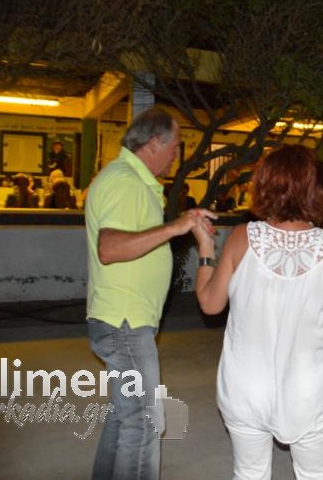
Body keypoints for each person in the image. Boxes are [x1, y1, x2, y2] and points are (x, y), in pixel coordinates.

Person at [191, 144, 323, 479]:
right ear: (317, 188)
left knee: (250, 472)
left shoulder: (241, 237)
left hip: (246, 384)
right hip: (308, 387)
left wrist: (206, 250)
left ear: (264, 184)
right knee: (317, 473)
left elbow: (210, 303)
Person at [85, 108, 215, 480]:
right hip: (125, 321)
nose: (178, 154)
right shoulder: (125, 181)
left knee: (124, 416)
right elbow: (110, 247)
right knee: (143, 421)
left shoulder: (131, 180)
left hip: (123, 318)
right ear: (155, 142)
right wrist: (175, 228)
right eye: (176, 145)